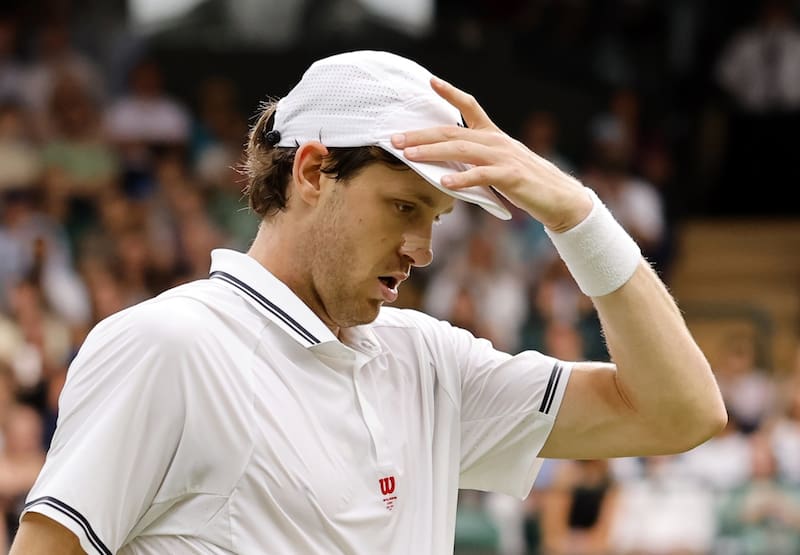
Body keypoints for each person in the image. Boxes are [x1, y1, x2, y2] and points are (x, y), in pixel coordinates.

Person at [10, 50, 726, 554]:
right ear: (315, 170)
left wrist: (579, 215)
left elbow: (682, 411)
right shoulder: (169, 344)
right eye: (404, 207)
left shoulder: (432, 362)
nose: (423, 248)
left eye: (436, 218)